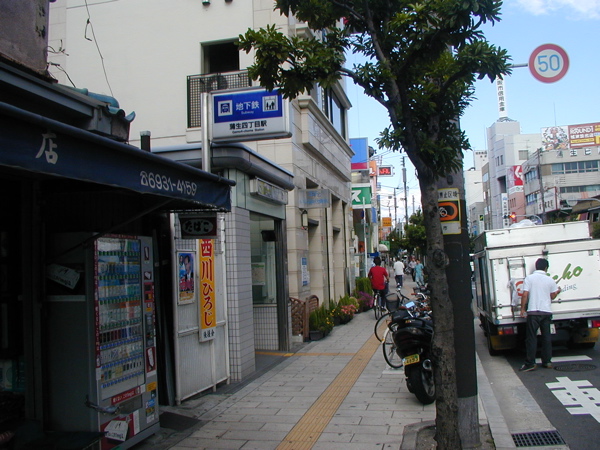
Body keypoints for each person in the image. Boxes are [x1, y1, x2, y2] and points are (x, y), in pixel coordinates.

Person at [519, 258, 561, 372]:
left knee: (531, 338)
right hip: (546, 312)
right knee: (546, 337)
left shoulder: (529, 278)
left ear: (536, 266)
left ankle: (530, 363)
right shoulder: (550, 280)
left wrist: (522, 309)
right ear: (546, 268)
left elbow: (525, 294)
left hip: (533, 312)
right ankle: (547, 361)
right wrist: (557, 291)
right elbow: (552, 296)